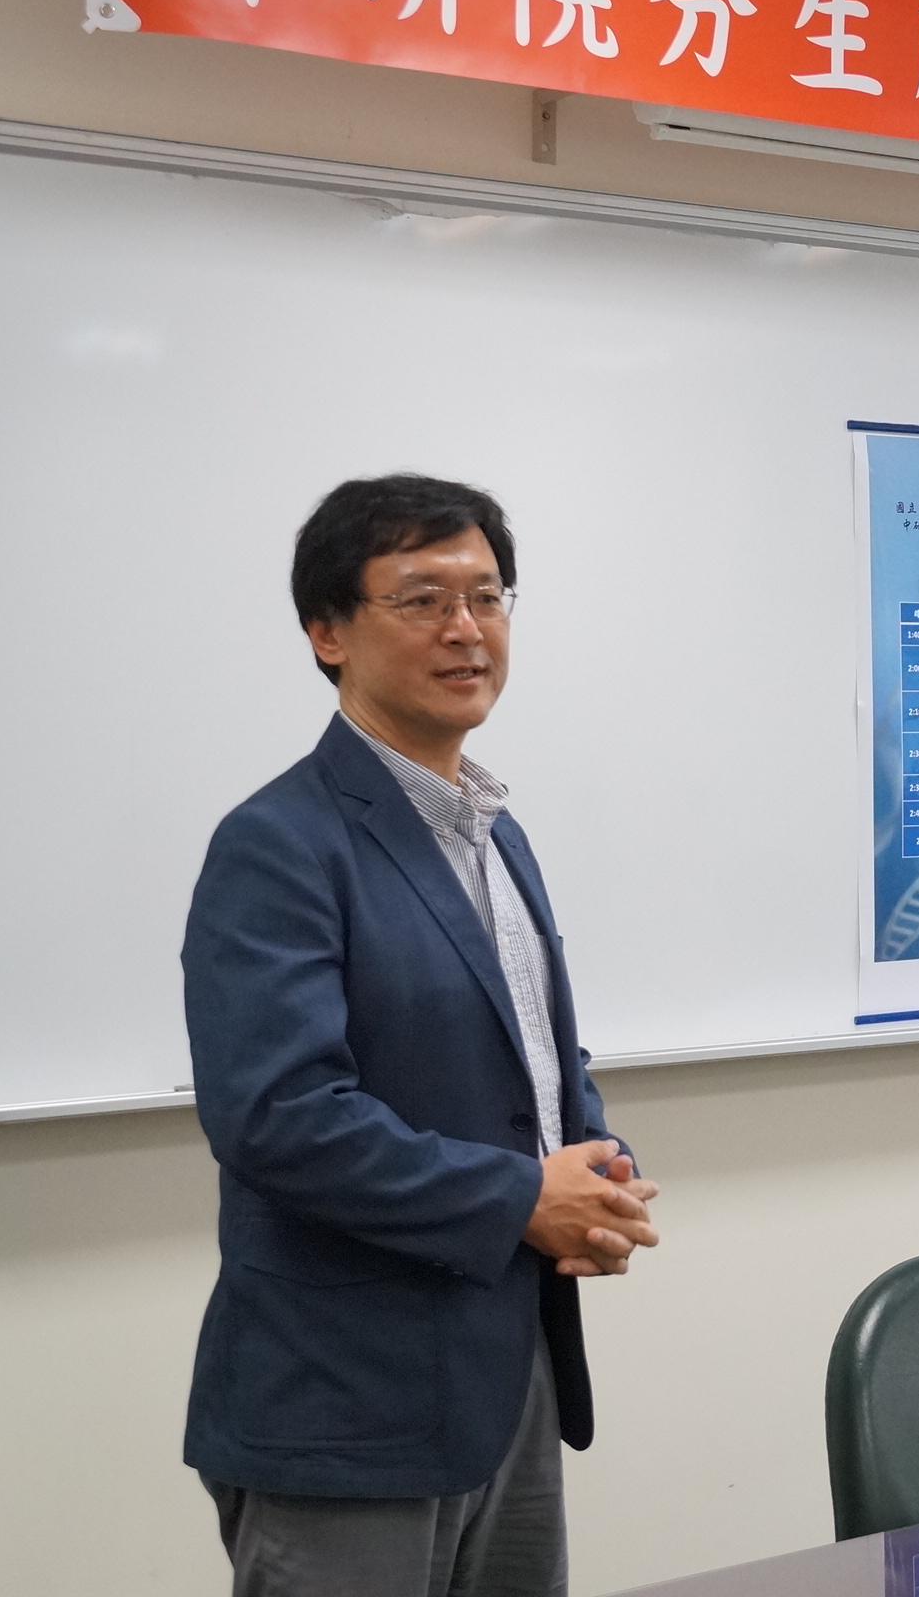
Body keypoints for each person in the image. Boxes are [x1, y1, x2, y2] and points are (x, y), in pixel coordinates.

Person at [182, 474, 659, 1597]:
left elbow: (528, 1057)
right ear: (328, 632)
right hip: (347, 1406)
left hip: (507, 1375)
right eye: (423, 599)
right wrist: (523, 1197)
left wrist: (593, 1171)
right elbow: (280, 1118)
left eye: (487, 596)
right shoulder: (279, 843)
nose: (466, 627)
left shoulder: (495, 833)